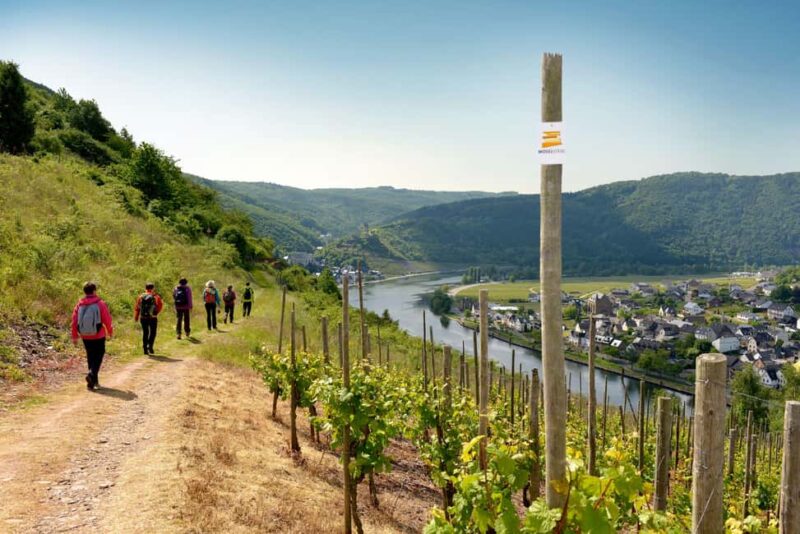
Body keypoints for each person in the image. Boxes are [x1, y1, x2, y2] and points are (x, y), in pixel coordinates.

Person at [71, 282, 113, 390]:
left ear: (84, 292)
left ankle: (92, 382)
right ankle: (91, 375)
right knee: (99, 355)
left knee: (90, 356)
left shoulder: (80, 304)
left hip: (85, 335)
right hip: (98, 334)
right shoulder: (100, 303)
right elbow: (107, 319)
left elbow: (74, 321)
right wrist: (110, 331)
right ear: (94, 291)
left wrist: (74, 336)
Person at [134, 282, 163, 355]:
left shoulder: (140, 296)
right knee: (153, 332)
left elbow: (137, 307)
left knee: (145, 332)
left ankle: (145, 349)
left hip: (143, 317)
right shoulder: (156, 296)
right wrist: (155, 313)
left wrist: (136, 317)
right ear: (153, 288)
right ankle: (150, 345)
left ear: (145, 288)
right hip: (153, 318)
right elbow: (160, 306)